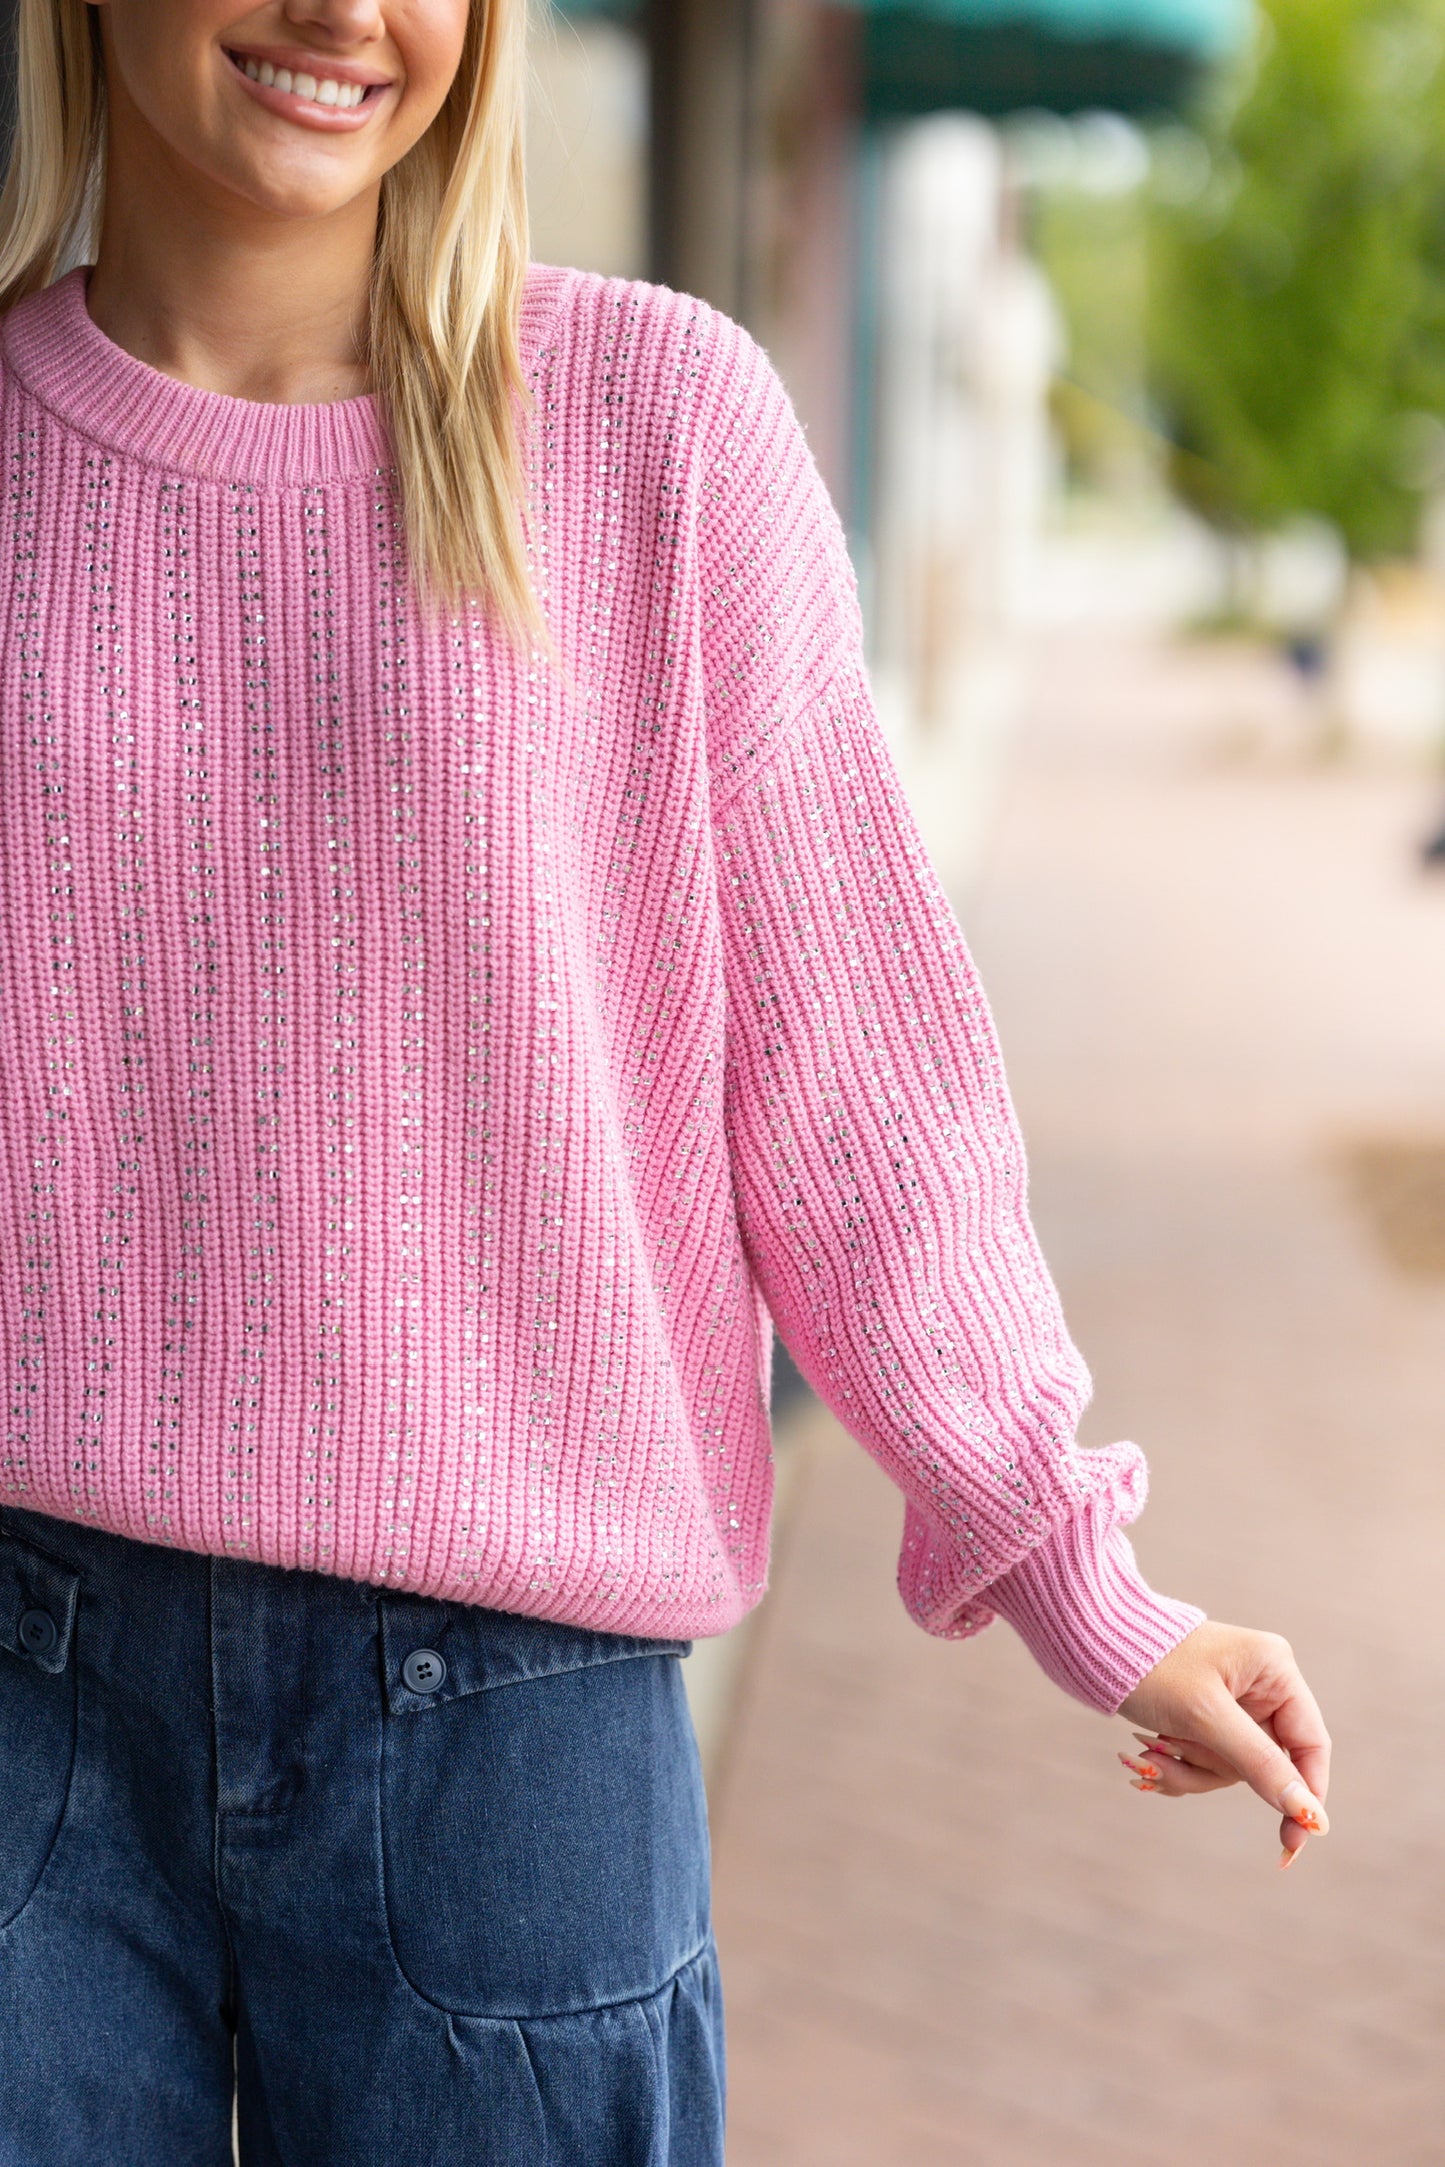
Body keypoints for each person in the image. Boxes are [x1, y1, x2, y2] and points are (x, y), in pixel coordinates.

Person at [0, 2, 1331, 2161]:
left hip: (511, 1734)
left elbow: (854, 1079)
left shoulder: (652, 428)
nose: (354, 14)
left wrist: (1080, 1568)